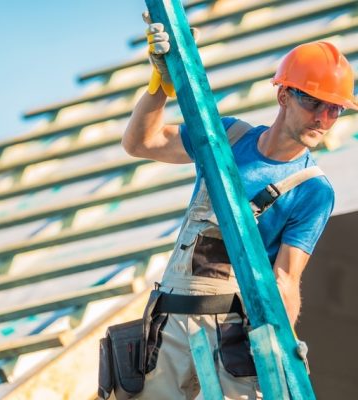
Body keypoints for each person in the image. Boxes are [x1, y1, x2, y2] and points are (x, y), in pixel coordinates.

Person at [119, 15, 358, 400]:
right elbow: (140, 143)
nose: (324, 118)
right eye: (315, 102)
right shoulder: (227, 137)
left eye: (335, 109)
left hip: (232, 335)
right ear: (284, 96)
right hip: (170, 323)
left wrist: (284, 343)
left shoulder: (313, 190)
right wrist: (158, 87)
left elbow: (285, 279)